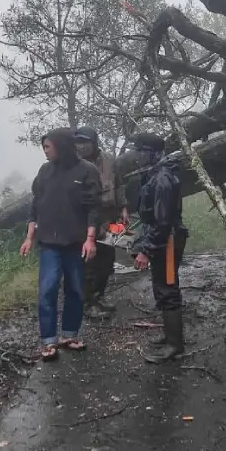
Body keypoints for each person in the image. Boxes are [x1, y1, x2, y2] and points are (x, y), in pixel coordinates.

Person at [20, 128, 103, 361]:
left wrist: (90, 239)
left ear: (61, 146)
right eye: (43, 147)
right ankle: (49, 340)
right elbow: (36, 205)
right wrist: (29, 237)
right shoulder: (45, 171)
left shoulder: (86, 170)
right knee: (48, 289)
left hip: (75, 242)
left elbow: (93, 208)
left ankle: (69, 335)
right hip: (49, 242)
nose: (45, 151)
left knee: (75, 289)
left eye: (48, 147)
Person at [127, 133, 189, 364]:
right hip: (163, 238)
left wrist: (146, 250)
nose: (137, 157)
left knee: (168, 289)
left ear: (154, 153)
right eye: (137, 151)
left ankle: (175, 346)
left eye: (141, 152)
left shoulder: (162, 178)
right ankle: (169, 336)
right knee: (162, 287)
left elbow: (162, 221)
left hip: (168, 240)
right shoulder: (153, 174)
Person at [72, 127, 127, 317]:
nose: (82, 146)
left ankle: (99, 296)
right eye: (78, 142)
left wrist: (123, 208)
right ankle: (88, 304)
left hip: (108, 219)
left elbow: (119, 185)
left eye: (86, 142)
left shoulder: (109, 160)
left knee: (107, 261)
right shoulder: (73, 164)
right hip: (84, 221)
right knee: (88, 263)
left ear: (94, 142)